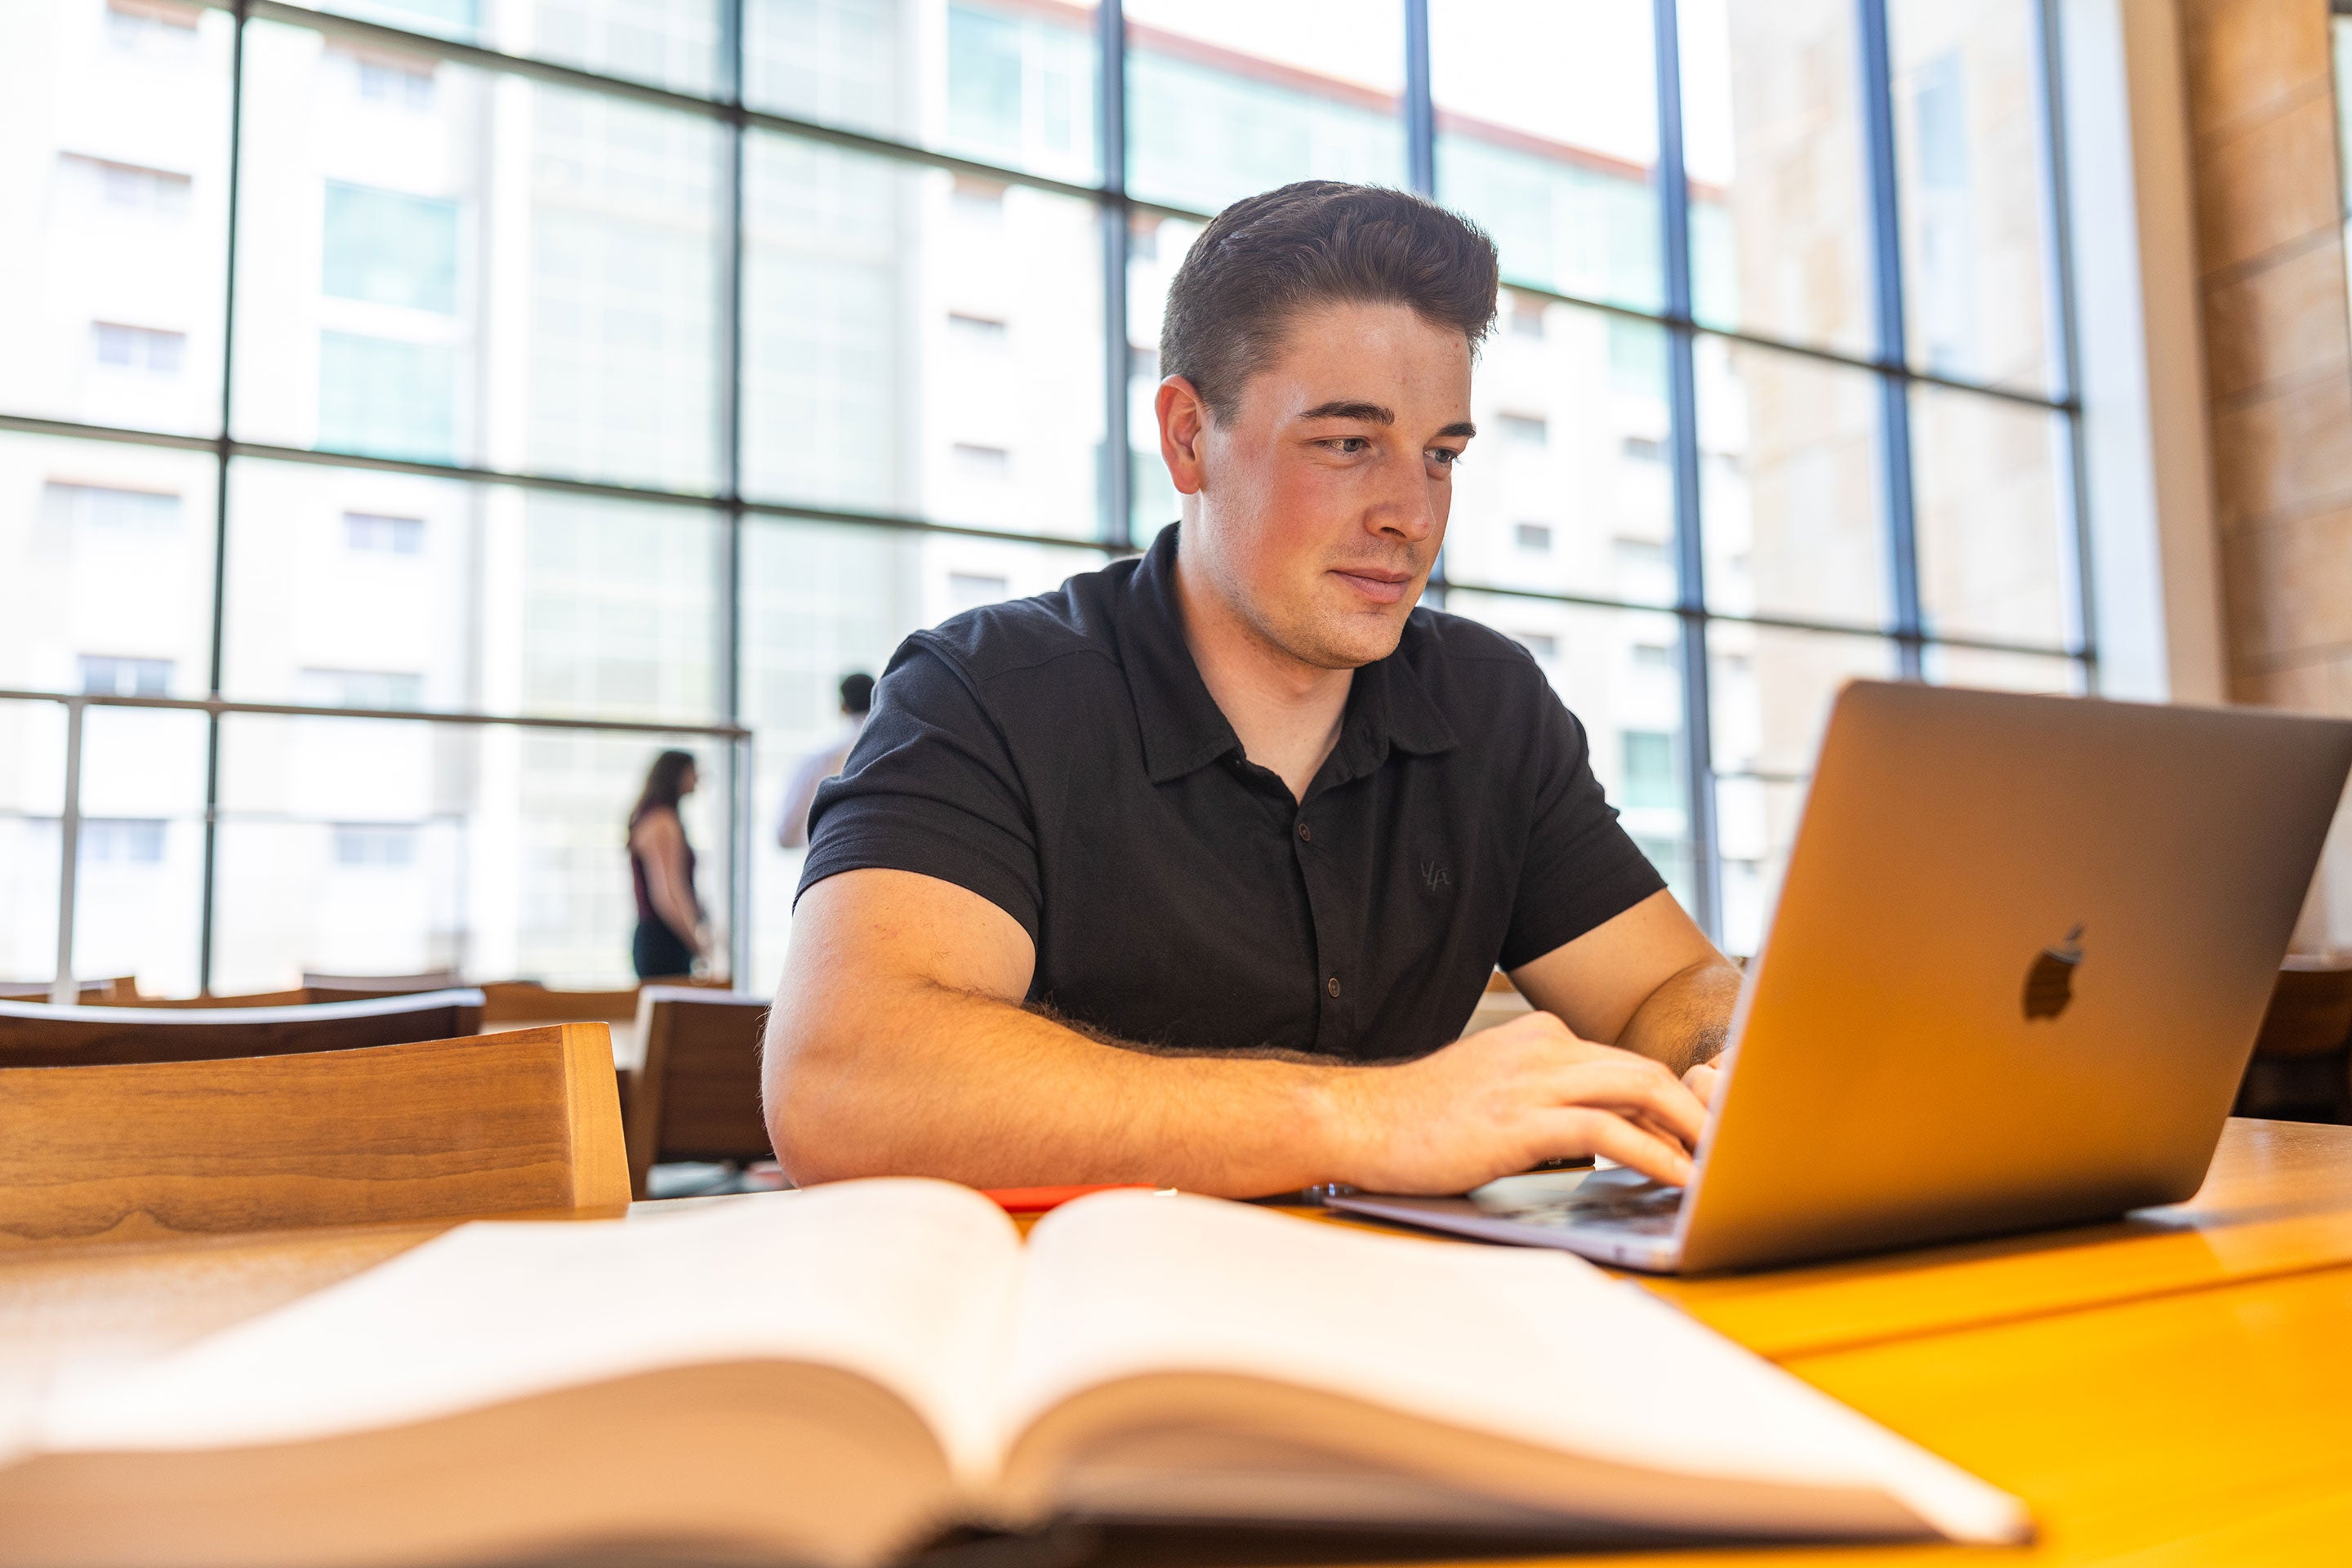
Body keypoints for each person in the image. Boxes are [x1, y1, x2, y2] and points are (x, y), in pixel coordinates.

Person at [765, 181, 1740, 1199]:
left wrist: (1720, 1063)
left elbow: (1670, 988)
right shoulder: (989, 691)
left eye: (1441, 455)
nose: (1413, 515)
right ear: (1189, 436)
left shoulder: (1490, 705)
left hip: (1401, 1318)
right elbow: (845, 1085)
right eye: (1347, 443)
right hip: (1078, 1327)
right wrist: (1367, 1118)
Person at [627, 750, 707, 981]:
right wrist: (698, 944)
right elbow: (667, 894)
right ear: (677, 774)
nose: (697, 779)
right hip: (664, 940)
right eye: (693, 772)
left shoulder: (655, 816)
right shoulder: (662, 822)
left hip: (660, 936)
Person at [777, 673, 875, 849]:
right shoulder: (905, 755)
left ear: (843, 707)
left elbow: (786, 835)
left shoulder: (817, 760)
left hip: (824, 866)